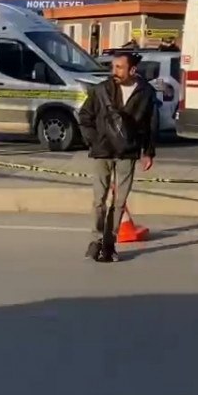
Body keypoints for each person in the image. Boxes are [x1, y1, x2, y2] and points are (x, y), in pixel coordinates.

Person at [77, 51, 157, 263]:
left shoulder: (146, 92)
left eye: (119, 67)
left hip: (127, 152)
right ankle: (95, 241)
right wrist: (94, 140)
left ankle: (109, 243)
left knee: (119, 201)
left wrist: (148, 152)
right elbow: (84, 116)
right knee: (99, 199)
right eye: (113, 67)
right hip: (102, 151)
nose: (115, 72)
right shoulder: (102, 89)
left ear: (132, 70)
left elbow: (150, 125)